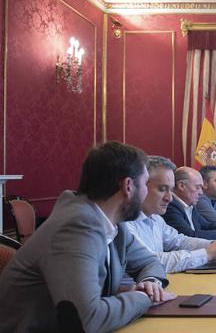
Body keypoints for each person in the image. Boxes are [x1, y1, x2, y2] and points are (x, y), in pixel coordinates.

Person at [0, 141, 175, 333]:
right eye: (145, 184)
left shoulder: (113, 223)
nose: (145, 193)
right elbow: (87, 320)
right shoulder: (76, 227)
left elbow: (149, 262)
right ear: (128, 186)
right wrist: (144, 298)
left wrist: (151, 284)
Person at [126, 156, 216, 273]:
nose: (169, 198)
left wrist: (213, 244)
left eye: (171, 190)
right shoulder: (125, 223)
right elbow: (149, 261)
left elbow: (180, 241)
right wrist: (206, 254)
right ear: (139, 187)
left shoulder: (156, 219)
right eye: (162, 189)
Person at [163, 166, 216, 241]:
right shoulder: (170, 206)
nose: (201, 192)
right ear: (181, 185)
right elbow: (190, 236)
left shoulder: (190, 205)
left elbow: (207, 226)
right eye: (197, 187)